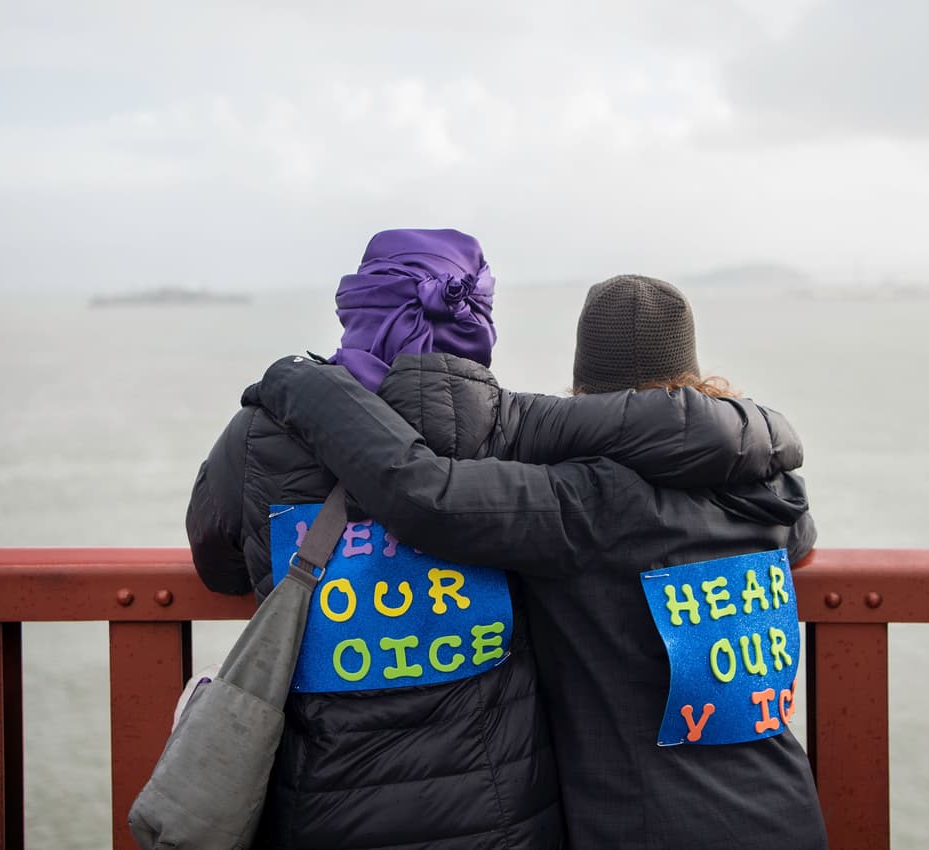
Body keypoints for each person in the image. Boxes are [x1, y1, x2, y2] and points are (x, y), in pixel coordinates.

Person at [187, 237, 808, 849]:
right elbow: (794, 533)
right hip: (778, 806)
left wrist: (305, 387)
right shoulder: (770, 484)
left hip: (634, 826)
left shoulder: (588, 499)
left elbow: (423, 495)